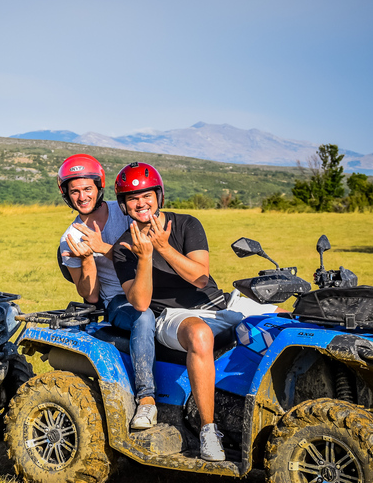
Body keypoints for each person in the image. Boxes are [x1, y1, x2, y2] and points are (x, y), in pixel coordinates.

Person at [112, 162, 279, 462]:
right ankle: (208, 430)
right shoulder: (124, 248)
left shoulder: (187, 224)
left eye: (147, 195)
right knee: (200, 336)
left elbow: (201, 277)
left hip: (218, 304)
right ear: (123, 205)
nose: (141, 203)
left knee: (286, 319)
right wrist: (148, 256)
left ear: (159, 196)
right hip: (173, 317)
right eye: (133, 199)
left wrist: (164, 247)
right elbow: (140, 303)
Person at [57, 154, 157, 430]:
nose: (82, 196)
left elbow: (148, 254)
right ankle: (146, 398)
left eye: (87, 188)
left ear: (99, 187)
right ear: (66, 194)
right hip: (119, 299)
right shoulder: (70, 238)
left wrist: (103, 247)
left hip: (153, 287)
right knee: (144, 317)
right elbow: (90, 296)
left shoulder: (126, 212)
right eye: (74, 191)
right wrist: (88, 258)